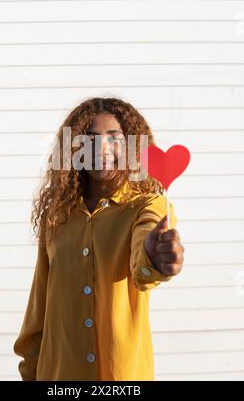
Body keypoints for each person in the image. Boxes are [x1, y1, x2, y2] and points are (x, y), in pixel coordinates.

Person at [13, 96, 184, 381]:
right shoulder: (56, 216)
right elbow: (39, 308)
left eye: (114, 138)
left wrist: (155, 257)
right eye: (88, 138)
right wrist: (29, 371)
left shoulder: (147, 206)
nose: (100, 148)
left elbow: (144, 266)